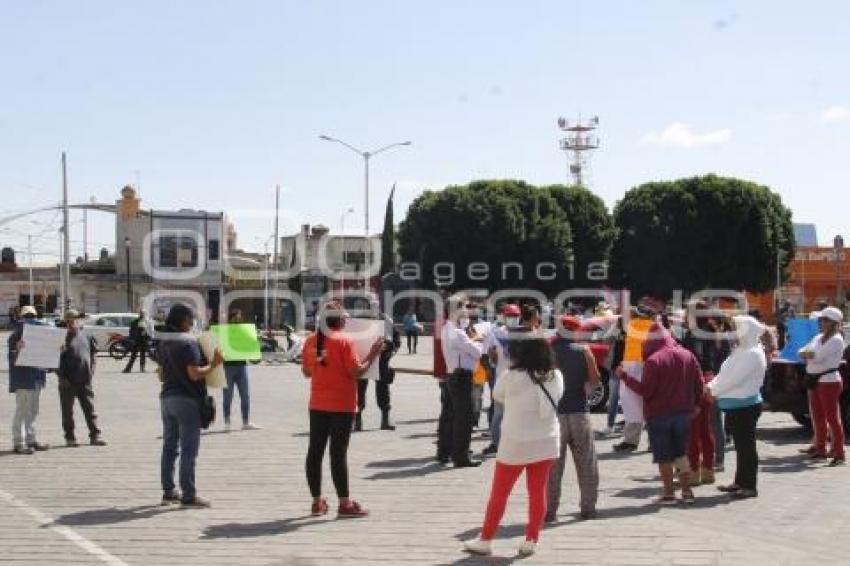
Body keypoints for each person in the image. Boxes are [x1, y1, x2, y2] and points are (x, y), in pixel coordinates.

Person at [463, 332, 564, 557]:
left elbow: (498, 396)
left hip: (515, 443)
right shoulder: (556, 375)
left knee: (500, 493)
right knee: (537, 492)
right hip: (546, 441)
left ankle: (486, 539)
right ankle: (531, 540)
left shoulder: (511, 376)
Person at [301, 302, 384, 518]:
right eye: (345, 318)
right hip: (342, 404)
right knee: (337, 454)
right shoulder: (345, 340)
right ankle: (344, 503)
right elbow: (356, 372)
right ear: (338, 320)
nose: (347, 321)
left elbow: (306, 372)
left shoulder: (311, 340)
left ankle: (317, 501)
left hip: (318, 403)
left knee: (315, 452)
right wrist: (373, 353)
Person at [618, 322, 704, 504]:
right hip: (683, 413)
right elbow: (699, 383)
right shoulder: (688, 355)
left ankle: (669, 493)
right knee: (681, 452)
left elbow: (646, 390)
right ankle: (687, 491)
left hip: (658, 414)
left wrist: (625, 377)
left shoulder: (654, 360)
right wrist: (696, 404)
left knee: (663, 455)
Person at [157, 304, 224, 507]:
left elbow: (161, 374)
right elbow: (194, 373)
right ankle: (188, 494)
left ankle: (169, 492)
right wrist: (214, 364)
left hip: (167, 399)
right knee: (188, 449)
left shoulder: (163, 342)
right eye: (191, 320)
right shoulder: (188, 343)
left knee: (170, 447)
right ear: (184, 320)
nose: (192, 324)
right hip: (186, 400)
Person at [706, 315, 768, 499]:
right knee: (741, 447)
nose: (733, 332)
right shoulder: (741, 350)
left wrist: (713, 390)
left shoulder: (753, 353)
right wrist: (712, 386)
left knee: (747, 447)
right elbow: (724, 373)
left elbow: (735, 379)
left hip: (745, 406)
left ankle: (749, 486)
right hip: (735, 406)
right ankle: (740, 482)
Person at [546, 316, 600, 521]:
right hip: (579, 412)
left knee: (552, 466)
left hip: (555, 415)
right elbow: (595, 380)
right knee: (586, 462)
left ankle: (550, 510)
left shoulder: (548, 350)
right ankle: (588, 508)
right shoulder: (584, 350)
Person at [798, 307, 845, 466]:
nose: (821, 322)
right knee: (817, 417)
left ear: (833, 323)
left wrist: (808, 355)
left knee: (832, 417)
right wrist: (807, 354)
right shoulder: (819, 337)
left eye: (824, 320)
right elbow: (802, 351)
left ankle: (839, 453)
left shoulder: (837, 339)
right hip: (815, 380)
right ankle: (821, 449)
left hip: (829, 381)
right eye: (821, 320)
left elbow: (815, 356)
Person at [442, 304, 484, 467]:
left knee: (455, 416)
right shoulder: (458, 333)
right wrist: (478, 339)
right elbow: (477, 352)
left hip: (454, 375)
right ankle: (461, 456)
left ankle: (453, 452)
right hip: (461, 378)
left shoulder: (448, 328)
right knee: (464, 419)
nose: (467, 314)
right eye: (464, 310)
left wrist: (471, 339)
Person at [57, 309, 106, 447]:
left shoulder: (87, 335)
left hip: (84, 379)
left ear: (78, 320)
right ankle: (70, 437)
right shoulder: (59, 337)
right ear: (65, 322)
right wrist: (61, 377)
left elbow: (93, 354)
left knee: (90, 409)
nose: (71, 323)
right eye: (68, 321)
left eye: (74, 320)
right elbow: (53, 360)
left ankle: (95, 435)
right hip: (67, 381)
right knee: (67, 412)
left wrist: (91, 370)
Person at [8, 305, 49, 454]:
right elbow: (11, 358)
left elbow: (46, 355)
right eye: (27, 316)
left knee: (33, 411)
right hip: (23, 379)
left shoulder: (41, 333)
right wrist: (17, 349)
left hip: (37, 378)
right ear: (21, 317)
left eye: (32, 316)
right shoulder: (16, 334)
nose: (30, 319)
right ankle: (19, 442)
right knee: (22, 411)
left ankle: (31, 440)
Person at [613, 304, 655, 452]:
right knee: (647, 403)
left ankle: (633, 441)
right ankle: (649, 442)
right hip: (641, 365)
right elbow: (620, 347)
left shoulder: (636, 326)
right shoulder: (635, 328)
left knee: (633, 404)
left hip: (637, 366)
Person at [481, 303, 521, 455]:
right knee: (498, 414)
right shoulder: (495, 333)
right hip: (501, 380)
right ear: (504, 317)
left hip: (520, 381)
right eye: (510, 316)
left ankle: (516, 444)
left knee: (517, 413)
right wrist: (489, 368)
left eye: (516, 316)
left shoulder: (524, 334)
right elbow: (486, 355)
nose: (513, 319)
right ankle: (495, 443)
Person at [355, 313, 401, 431]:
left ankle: (385, 420)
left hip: (381, 362)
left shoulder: (386, 320)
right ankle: (357, 421)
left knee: (383, 391)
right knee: (359, 391)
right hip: (362, 359)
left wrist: (389, 347)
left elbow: (396, 340)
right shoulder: (358, 320)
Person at [221, 309, 261, 432]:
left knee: (245, 395)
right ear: (231, 319)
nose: (238, 320)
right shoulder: (224, 333)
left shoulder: (244, 332)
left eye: (240, 318)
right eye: (236, 318)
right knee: (227, 396)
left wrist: (254, 346)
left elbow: (250, 348)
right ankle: (227, 422)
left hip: (242, 366)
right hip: (227, 367)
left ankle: (246, 421)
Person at [123, 309, 150, 373]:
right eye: (141, 313)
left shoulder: (146, 322)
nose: (142, 314)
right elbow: (131, 331)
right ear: (139, 314)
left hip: (143, 341)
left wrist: (147, 335)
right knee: (133, 355)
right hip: (136, 341)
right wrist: (136, 335)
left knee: (143, 355)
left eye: (143, 313)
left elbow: (149, 331)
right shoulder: (135, 321)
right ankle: (128, 369)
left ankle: (142, 368)